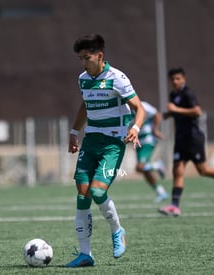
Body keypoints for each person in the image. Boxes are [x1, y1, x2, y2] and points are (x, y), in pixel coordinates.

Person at [66, 34, 146, 267]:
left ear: (99, 56)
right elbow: (85, 105)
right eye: (80, 58)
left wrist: (136, 128)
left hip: (112, 144)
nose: (83, 62)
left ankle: (117, 230)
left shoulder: (117, 78)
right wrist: (74, 132)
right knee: (82, 197)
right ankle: (85, 254)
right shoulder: (83, 79)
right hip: (90, 142)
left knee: (98, 193)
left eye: (87, 57)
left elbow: (139, 108)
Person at [158, 67, 214, 217]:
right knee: (177, 171)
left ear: (184, 79)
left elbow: (197, 111)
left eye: (178, 79)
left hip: (193, 138)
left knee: (203, 171)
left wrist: (175, 110)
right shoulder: (173, 94)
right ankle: (175, 206)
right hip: (180, 138)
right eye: (173, 79)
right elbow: (178, 111)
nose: (175, 82)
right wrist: (169, 114)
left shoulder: (187, 93)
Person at [133, 101, 168, 202]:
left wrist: (155, 130)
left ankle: (158, 165)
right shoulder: (122, 108)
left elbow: (156, 114)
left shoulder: (141, 105)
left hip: (147, 140)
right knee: (144, 170)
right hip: (138, 141)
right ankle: (161, 192)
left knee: (139, 167)